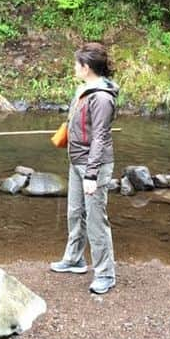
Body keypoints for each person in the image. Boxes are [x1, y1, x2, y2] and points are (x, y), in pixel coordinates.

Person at [49, 42, 120, 295]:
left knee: (96, 221)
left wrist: (92, 174)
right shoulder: (85, 90)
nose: (74, 68)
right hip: (77, 160)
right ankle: (74, 259)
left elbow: (100, 137)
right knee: (74, 212)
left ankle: (105, 274)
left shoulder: (101, 97)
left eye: (77, 64)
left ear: (87, 67)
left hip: (94, 166)